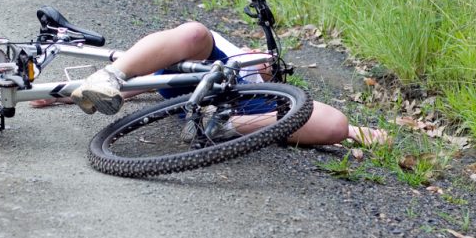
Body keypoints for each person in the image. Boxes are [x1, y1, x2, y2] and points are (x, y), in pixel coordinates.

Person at [35, 21, 387, 146]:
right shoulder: (231, 50)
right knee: (194, 33)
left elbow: (328, 123)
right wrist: (65, 93)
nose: (265, 60)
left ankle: (220, 126)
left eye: (271, 64)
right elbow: (146, 82)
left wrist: (354, 131)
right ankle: (106, 76)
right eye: (261, 54)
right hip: (203, 62)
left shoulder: (275, 93)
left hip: (244, 107)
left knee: (335, 123)